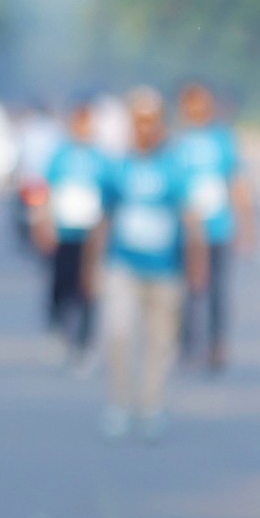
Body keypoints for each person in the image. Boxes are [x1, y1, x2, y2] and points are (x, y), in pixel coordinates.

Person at [95, 88, 204, 440]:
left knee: (160, 342)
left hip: (166, 269)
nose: (145, 128)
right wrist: (91, 267)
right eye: (139, 122)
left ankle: (151, 405)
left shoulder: (175, 167)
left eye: (151, 121)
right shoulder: (117, 167)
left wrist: (197, 264)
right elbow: (103, 219)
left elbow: (192, 219)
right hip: (123, 266)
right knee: (119, 334)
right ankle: (120, 404)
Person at [171, 81, 255, 371]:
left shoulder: (223, 140)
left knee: (218, 289)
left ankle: (216, 344)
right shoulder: (177, 143)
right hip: (185, 230)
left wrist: (247, 226)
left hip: (218, 227)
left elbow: (237, 183)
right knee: (186, 287)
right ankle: (185, 343)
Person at [35, 101, 108, 358]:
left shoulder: (101, 159)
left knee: (88, 287)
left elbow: (109, 199)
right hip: (63, 232)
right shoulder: (60, 157)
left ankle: (84, 341)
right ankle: (58, 329)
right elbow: (46, 192)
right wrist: (44, 223)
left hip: (90, 235)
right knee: (61, 284)